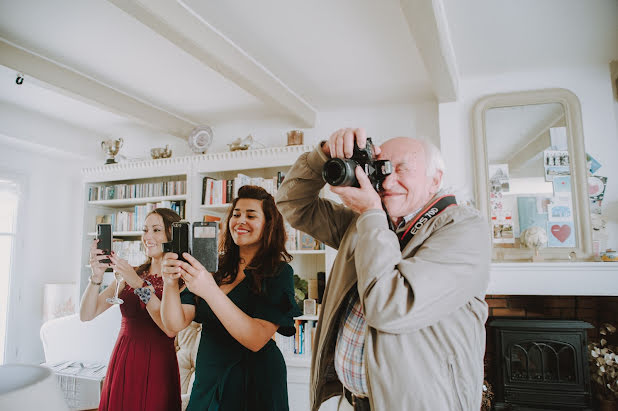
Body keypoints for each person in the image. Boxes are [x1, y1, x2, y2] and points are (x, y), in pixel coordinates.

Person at [275, 128, 491, 410]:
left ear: (435, 179)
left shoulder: (464, 228)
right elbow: (293, 204)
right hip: (350, 401)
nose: (388, 179)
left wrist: (371, 214)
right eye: (381, 168)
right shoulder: (365, 223)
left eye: (403, 169)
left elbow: (390, 307)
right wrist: (323, 155)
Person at [161, 185, 302, 411]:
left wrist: (210, 291)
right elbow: (172, 325)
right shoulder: (213, 268)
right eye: (236, 214)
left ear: (268, 224)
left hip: (256, 381)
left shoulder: (278, 272)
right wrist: (169, 282)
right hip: (209, 375)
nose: (240, 221)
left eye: (251, 215)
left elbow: (256, 339)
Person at [80, 208, 183, 411]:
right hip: (123, 359)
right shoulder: (132, 273)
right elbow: (87, 314)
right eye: (145, 230)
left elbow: (168, 328)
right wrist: (97, 276)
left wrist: (138, 284)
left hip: (158, 364)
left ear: (172, 235)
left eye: (156, 230)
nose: (148, 237)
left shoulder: (180, 280)